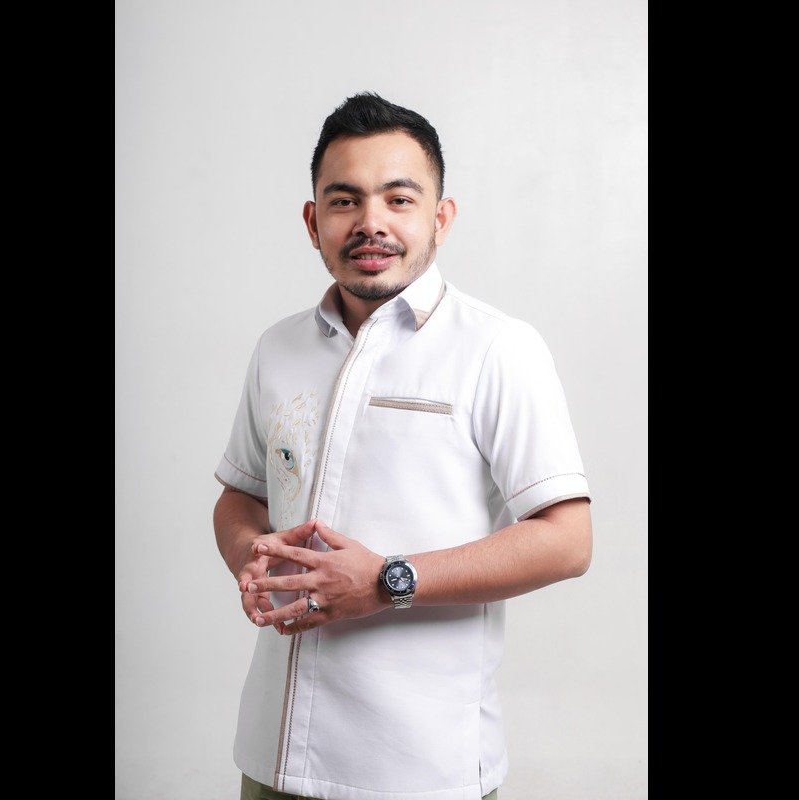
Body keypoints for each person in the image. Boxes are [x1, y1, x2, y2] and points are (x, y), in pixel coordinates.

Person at [213, 92, 592, 800]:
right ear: (313, 222)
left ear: (440, 218)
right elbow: (241, 494)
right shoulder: (278, 348)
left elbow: (568, 541)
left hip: (419, 768)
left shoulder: (498, 349)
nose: (371, 223)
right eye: (345, 200)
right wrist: (250, 557)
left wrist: (388, 580)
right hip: (271, 759)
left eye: (399, 199)